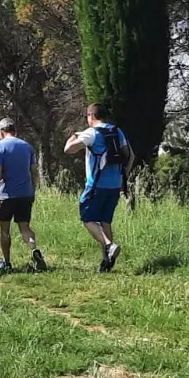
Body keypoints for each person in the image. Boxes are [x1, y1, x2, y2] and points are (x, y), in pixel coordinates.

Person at [64, 103, 133, 272]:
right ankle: (106, 263)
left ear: (91, 116)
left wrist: (74, 135)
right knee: (105, 221)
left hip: (96, 185)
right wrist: (122, 176)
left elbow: (68, 150)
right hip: (115, 185)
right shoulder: (118, 131)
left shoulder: (91, 133)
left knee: (87, 218)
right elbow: (130, 156)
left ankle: (109, 246)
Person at [0, 118, 45, 273]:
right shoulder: (27, 146)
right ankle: (34, 250)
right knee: (25, 227)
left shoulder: (0, 146)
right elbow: (34, 171)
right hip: (25, 194)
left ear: (1, 132)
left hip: (6, 195)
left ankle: (6, 262)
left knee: (5, 230)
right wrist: (33, 190)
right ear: (15, 130)